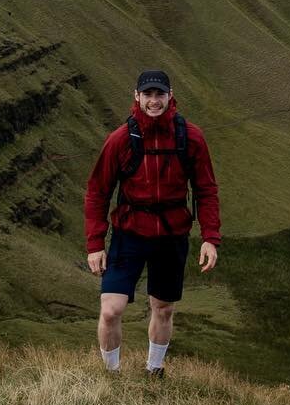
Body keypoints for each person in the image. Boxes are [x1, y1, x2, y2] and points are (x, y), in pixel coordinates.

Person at [84, 68, 221, 378]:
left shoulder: (191, 138)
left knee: (164, 308)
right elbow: (97, 192)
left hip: (172, 235)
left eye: (160, 94)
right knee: (110, 311)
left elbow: (206, 189)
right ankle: (112, 376)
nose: (154, 100)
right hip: (129, 234)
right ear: (137, 97)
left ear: (170, 97)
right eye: (148, 94)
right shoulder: (120, 139)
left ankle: (153, 371)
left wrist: (211, 237)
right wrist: (95, 244)